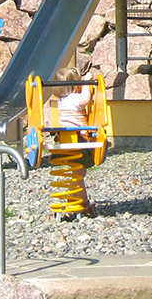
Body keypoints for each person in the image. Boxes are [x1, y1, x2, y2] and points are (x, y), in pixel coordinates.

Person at [51, 67, 96, 217]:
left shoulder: (62, 101)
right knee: (79, 173)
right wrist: (87, 83)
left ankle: (72, 198)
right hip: (78, 140)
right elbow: (86, 100)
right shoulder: (73, 99)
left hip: (65, 141)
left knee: (77, 172)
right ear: (74, 85)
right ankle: (83, 203)